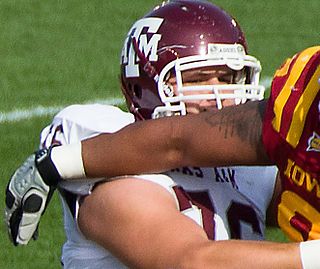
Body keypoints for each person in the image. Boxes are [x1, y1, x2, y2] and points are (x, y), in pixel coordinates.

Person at [5, 0, 320, 268]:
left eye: (228, 77)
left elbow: (181, 141)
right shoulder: (114, 164)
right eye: (196, 79)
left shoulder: (246, 169)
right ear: (145, 86)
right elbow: (187, 261)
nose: (218, 94)